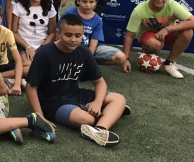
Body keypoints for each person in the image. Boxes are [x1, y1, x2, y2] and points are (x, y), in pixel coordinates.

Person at [26, 14, 130, 147]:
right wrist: (40, 117)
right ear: (58, 33)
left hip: (75, 94)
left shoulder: (84, 52)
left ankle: (100, 129)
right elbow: (31, 88)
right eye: (68, 35)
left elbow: (100, 82)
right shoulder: (44, 54)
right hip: (52, 102)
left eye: (78, 36)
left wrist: (98, 102)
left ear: (83, 35)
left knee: (119, 98)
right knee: (86, 118)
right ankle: (109, 113)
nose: (73, 40)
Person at [120, 0, 194, 79]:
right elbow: (129, 35)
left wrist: (167, 29)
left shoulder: (172, 5)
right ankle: (148, 53)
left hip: (167, 34)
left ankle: (169, 63)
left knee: (188, 32)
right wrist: (125, 59)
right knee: (154, 45)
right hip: (148, 35)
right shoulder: (139, 10)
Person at [62, 0, 126, 67]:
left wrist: (88, 60)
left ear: (95, 2)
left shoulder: (98, 20)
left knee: (121, 57)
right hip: (69, 45)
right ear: (78, 1)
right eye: (84, 1)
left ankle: (91, 64)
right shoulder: (69, 13)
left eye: (91, 2)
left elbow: (93, 43)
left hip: (89, 49)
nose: (88, 5)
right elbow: (60, 33)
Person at [11, 0, 57, 80]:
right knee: (32, 68)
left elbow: (52, 32)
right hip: (23, 45)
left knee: (46, 68)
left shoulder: (49, 7)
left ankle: (10, 78)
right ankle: (1, 77)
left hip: (43, 45)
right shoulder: (18, 7)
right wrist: (27, 47)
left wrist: (43, 48)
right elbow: (13, 32)